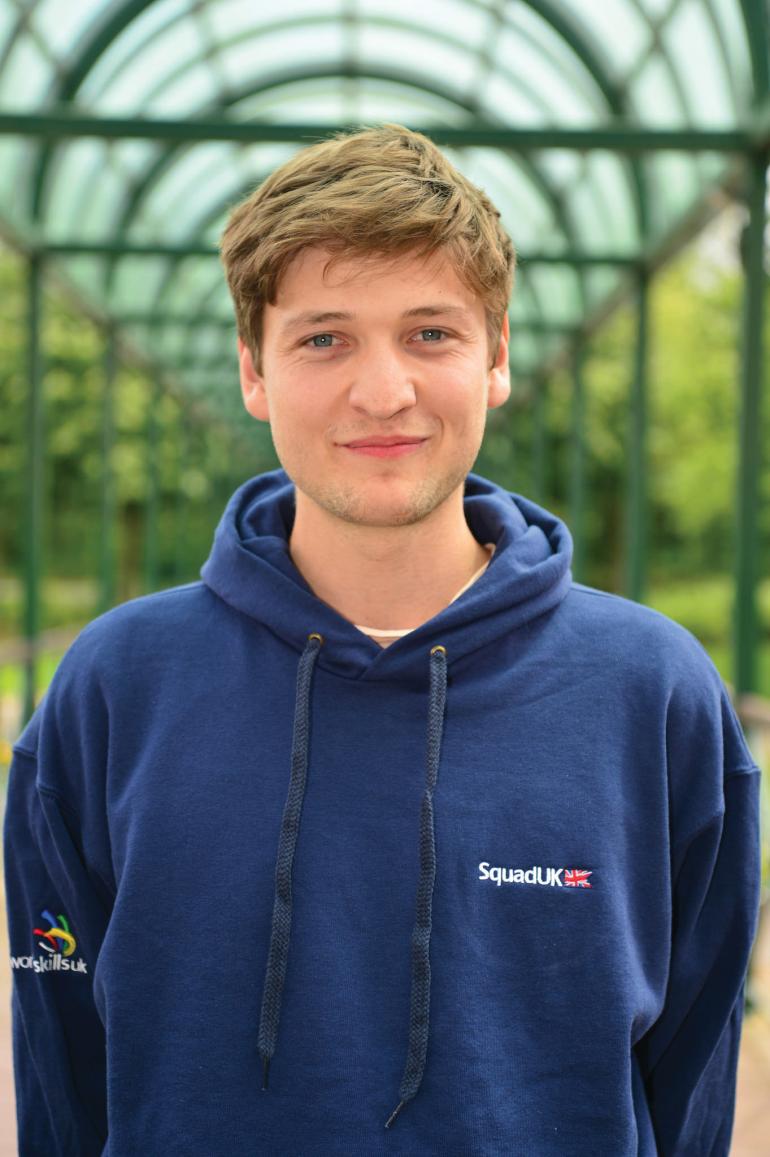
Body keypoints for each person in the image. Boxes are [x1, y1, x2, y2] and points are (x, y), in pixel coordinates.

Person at [3, 123, 761, 1157]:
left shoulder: (652, 691)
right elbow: (61, 1070)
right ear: (253, 371)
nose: (382, 392)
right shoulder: (114, 686)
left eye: (430, 333)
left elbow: (692, 1078)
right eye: (324, 338)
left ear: (496, 356)